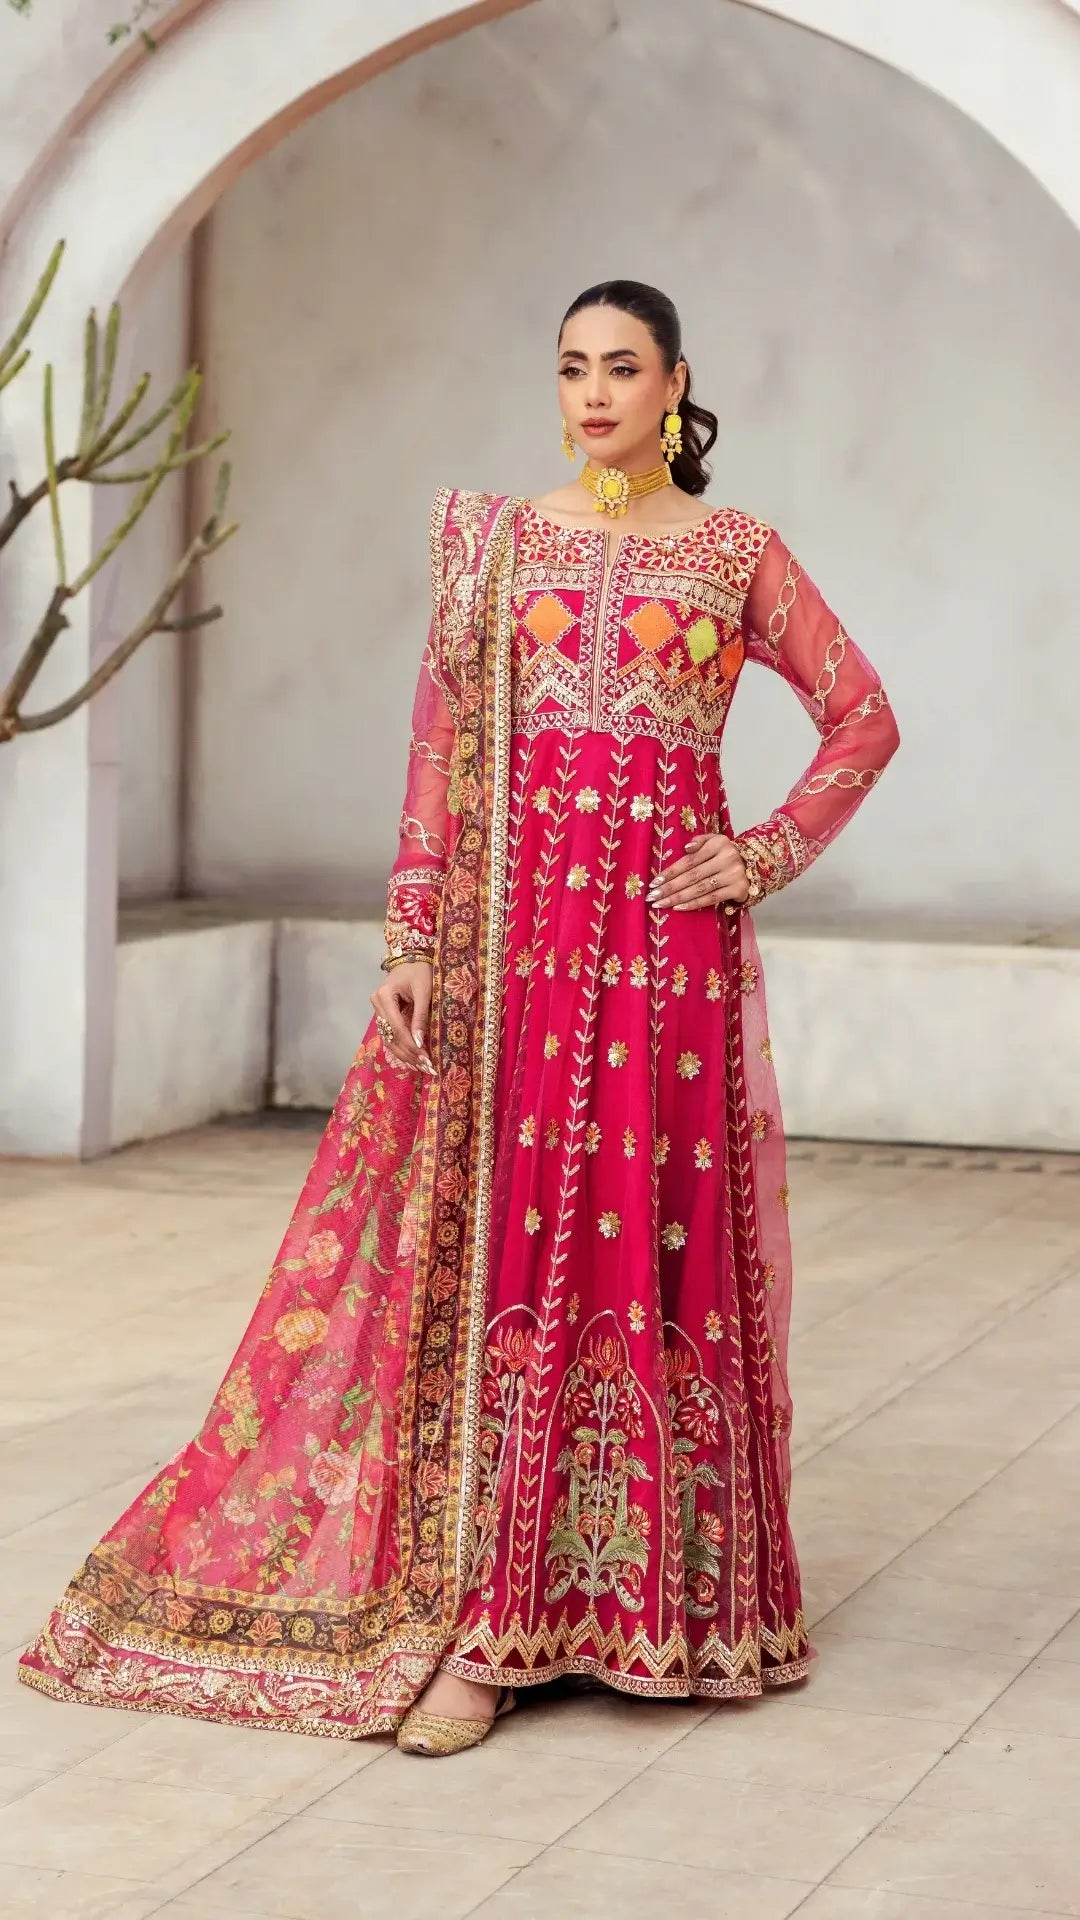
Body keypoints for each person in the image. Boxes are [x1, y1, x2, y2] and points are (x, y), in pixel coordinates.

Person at [18, 279, 899, 1757]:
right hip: (516, 955)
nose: (595, 392)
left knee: (652, 1245)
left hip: (666, 964)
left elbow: (863, 716)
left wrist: (759, 855)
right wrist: (414, 936)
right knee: (509, 1255)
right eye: (572, 367)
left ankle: (655, 1606)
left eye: (623, 368)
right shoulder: (497, 545)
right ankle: (481, 1632)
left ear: (677, 384)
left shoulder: (736, 553)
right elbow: (437, 747)